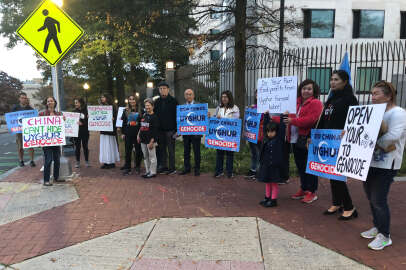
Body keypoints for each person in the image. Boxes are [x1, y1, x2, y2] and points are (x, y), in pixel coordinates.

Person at [360, 81, 406, 250]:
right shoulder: (374, 112)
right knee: (370, 196)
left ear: (388, 96)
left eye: (376, 93)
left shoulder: (398, 113)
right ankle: (377, 226)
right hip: (370, 161)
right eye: (372, 93)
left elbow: (393, 136)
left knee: (378, 199)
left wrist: (368, 143)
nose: (372, 97)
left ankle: (385, 235)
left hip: (387, 163)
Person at [317, 70, 359, 220]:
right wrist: (314, 136)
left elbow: (355, 121)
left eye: (336, 79)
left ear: (345, 82)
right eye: (331, 79)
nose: (332, 82)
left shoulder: (350, 99)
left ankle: (349, 207)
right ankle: (337, 202)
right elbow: (323, 120)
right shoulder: (331, 99)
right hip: (328, 142)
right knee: (330, 173)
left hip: (341, 142)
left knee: (338, 175)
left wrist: (347, 131)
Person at [284, 79, 323, 203]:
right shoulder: (295, 103)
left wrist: (292, 121)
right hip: (295, 139)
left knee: (309, 166)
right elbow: (287, 119)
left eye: (309, 89)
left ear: (314, 90)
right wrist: (272, 116)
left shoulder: (316, 103)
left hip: (307, 139)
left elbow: (310, 120)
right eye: (304, 88)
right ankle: (303, 188)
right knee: (300, 166)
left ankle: (312, 192)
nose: (306, 91)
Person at [257, 112, 287, 207]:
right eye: (268, 131)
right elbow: (265, 124)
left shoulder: (279, 139)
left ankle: (273, 200)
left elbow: (282, 128)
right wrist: (266, 115)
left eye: (272, 131)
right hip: (266, 165)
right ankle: (267, 197)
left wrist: (283, 116)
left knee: (274, 183)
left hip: (275, 166)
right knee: (267, 182)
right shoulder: (266, 138)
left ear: (276, 132)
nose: (270, 133)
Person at [213, 90, 240, 178]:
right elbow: (214, 119)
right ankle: (219, 171)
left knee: (229, 154)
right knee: (219, 153)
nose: (223, 99)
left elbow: (236, 121)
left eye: (225, 97)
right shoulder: (218, 108)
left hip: (230, 135)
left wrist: (224, 119)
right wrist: (215, 117)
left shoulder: (235, 108)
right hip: (220, 134)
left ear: (229, 98)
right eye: (222, 97)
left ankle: (229, 172)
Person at [154, 82, 178, 175]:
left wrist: (176, 130)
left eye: (164, 88)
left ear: (168, 90)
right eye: (160, 88)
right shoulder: (157, 102)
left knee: (171, 150)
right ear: (159, 90)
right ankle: (163, 166)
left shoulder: (174, 101)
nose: (162, 90)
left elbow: (177, 116)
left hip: (170, 130)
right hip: (160, 130)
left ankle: (172, 168)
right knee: (161, 150)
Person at [39, 96, 64, 186]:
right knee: (48, 160)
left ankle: (56, 177)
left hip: (56, 141)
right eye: (48, 101)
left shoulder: (59, 114)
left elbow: (62, 126)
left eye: (51, 101)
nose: (49, 102)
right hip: (46, 141)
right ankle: (46, 180)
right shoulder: (42, 114)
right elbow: (38, 127)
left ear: (54, 102)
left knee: (57, 160)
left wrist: (63, 120)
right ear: (46, 103)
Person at [179, 89, 201, 176]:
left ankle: (197, 169)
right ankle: (187, 168)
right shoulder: (182, 107)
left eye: (190, 94)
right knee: (186, 151)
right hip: (186, 133)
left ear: (193, 95)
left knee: (197, 151)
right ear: (185, 96)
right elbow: (180, 120)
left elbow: (203, 118)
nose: (188, 96)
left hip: (196, 133)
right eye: (187, 94)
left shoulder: (199, 106)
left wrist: (208, 115)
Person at [120, 95, 143, 175]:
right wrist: (122, 133)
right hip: (128, 133)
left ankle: (137, 166)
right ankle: (128, 167)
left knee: (138, 151)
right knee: (128, 151)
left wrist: (141, 133)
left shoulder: (141, 110)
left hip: (137, 133)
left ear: (136, 100)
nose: (132, 101)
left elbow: (142, 122)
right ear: (128, 101)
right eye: (130, 99)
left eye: (133, 99)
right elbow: (123, 123)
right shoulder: (126, 110)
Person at [11, 92, 36, 167]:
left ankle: (32, 160)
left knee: (30, 146)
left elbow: (34, 119)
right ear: (19, 99)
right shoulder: (15, 108)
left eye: (25, 98)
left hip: (28, 130)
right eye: (22, 98)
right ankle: (21, 160)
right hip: (19, 130)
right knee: (20, 147)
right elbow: (11, 118)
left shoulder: (30, 108)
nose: (24, 99)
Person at [245, 90, 264, 180]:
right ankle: (253, 170)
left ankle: (259, 171)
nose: (258, 96)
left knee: (259, 152)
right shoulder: (253, 107)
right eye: (257, 94)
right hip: (252, 133)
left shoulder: (265, 107)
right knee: (253, 152)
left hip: (260, 133)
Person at [137, 98, 159, 179]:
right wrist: (138, 135)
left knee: (152, 157)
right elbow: (141, 126)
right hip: (143, 139)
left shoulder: (155, 117)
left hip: (150, 140)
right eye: (146, 106)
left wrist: (152, 141)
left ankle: (153, 172)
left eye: (149, 105)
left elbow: (156, 131)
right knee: (145, 156)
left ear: (152, 106)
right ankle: (148, 171)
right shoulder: (144, 115)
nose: (147, 107)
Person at [99, 94, 120, 169]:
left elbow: (117, 116)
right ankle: (105, 161)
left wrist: (113, 119)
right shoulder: (100, 107)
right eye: (101, 97)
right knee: (104, 146)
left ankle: (111, 162)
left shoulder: (113, 107)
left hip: (110, 130)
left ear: (107, 98)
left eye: (103, 97)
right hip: (103, 129)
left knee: (110, 145)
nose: (102, 98)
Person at [73, 98, 90, 168]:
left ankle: (87, 161)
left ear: (81, 103)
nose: (75, 104)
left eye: (76, 102)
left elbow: (90, 122)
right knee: (77, 147)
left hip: (85, 131)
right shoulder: (73, 112)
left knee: (85, 146)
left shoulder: (86, 111)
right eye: (75, 103)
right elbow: (71, 121)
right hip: (76, 133)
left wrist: (83, 123)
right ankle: (77, 162)